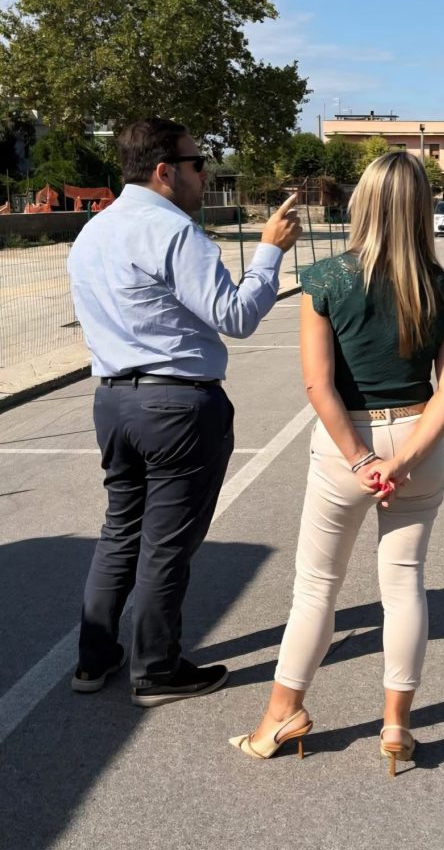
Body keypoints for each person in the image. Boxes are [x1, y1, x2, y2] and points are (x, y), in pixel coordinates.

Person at [229, 151, 444, 774]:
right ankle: (396, 725)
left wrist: (364, 460)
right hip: (418, 438)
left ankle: (281, 715)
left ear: (362, 204)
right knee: (404, 584)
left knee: (316, 586)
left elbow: (318, 385)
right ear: (422, 209)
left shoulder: (327, 280)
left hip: (346, 447)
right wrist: (404, 459)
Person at [67, 117, 302, 707]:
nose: (206, 174)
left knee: (121, 530)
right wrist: (269, 253)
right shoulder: (174, 232)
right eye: (199, 164)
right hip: (175, 403)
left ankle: (94, 657)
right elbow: (235, 316)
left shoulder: (93, 232)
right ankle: (156, 669)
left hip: (113, 399)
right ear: (164, 171)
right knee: (166, 544)